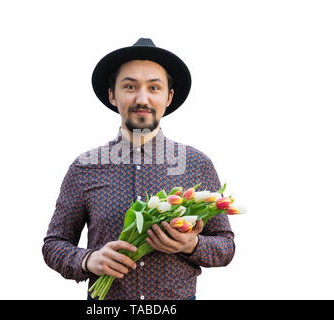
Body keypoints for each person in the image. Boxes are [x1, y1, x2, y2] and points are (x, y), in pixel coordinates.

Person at [42, 38, 235, 300]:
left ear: (168, 97)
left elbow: (226, 246)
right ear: (112, 95)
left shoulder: (197, 165)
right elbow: (54, 244)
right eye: (130, 86)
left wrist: (193, 244)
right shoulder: (84, 168)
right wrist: (88, 260)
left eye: (154, 87)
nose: (142, 98)